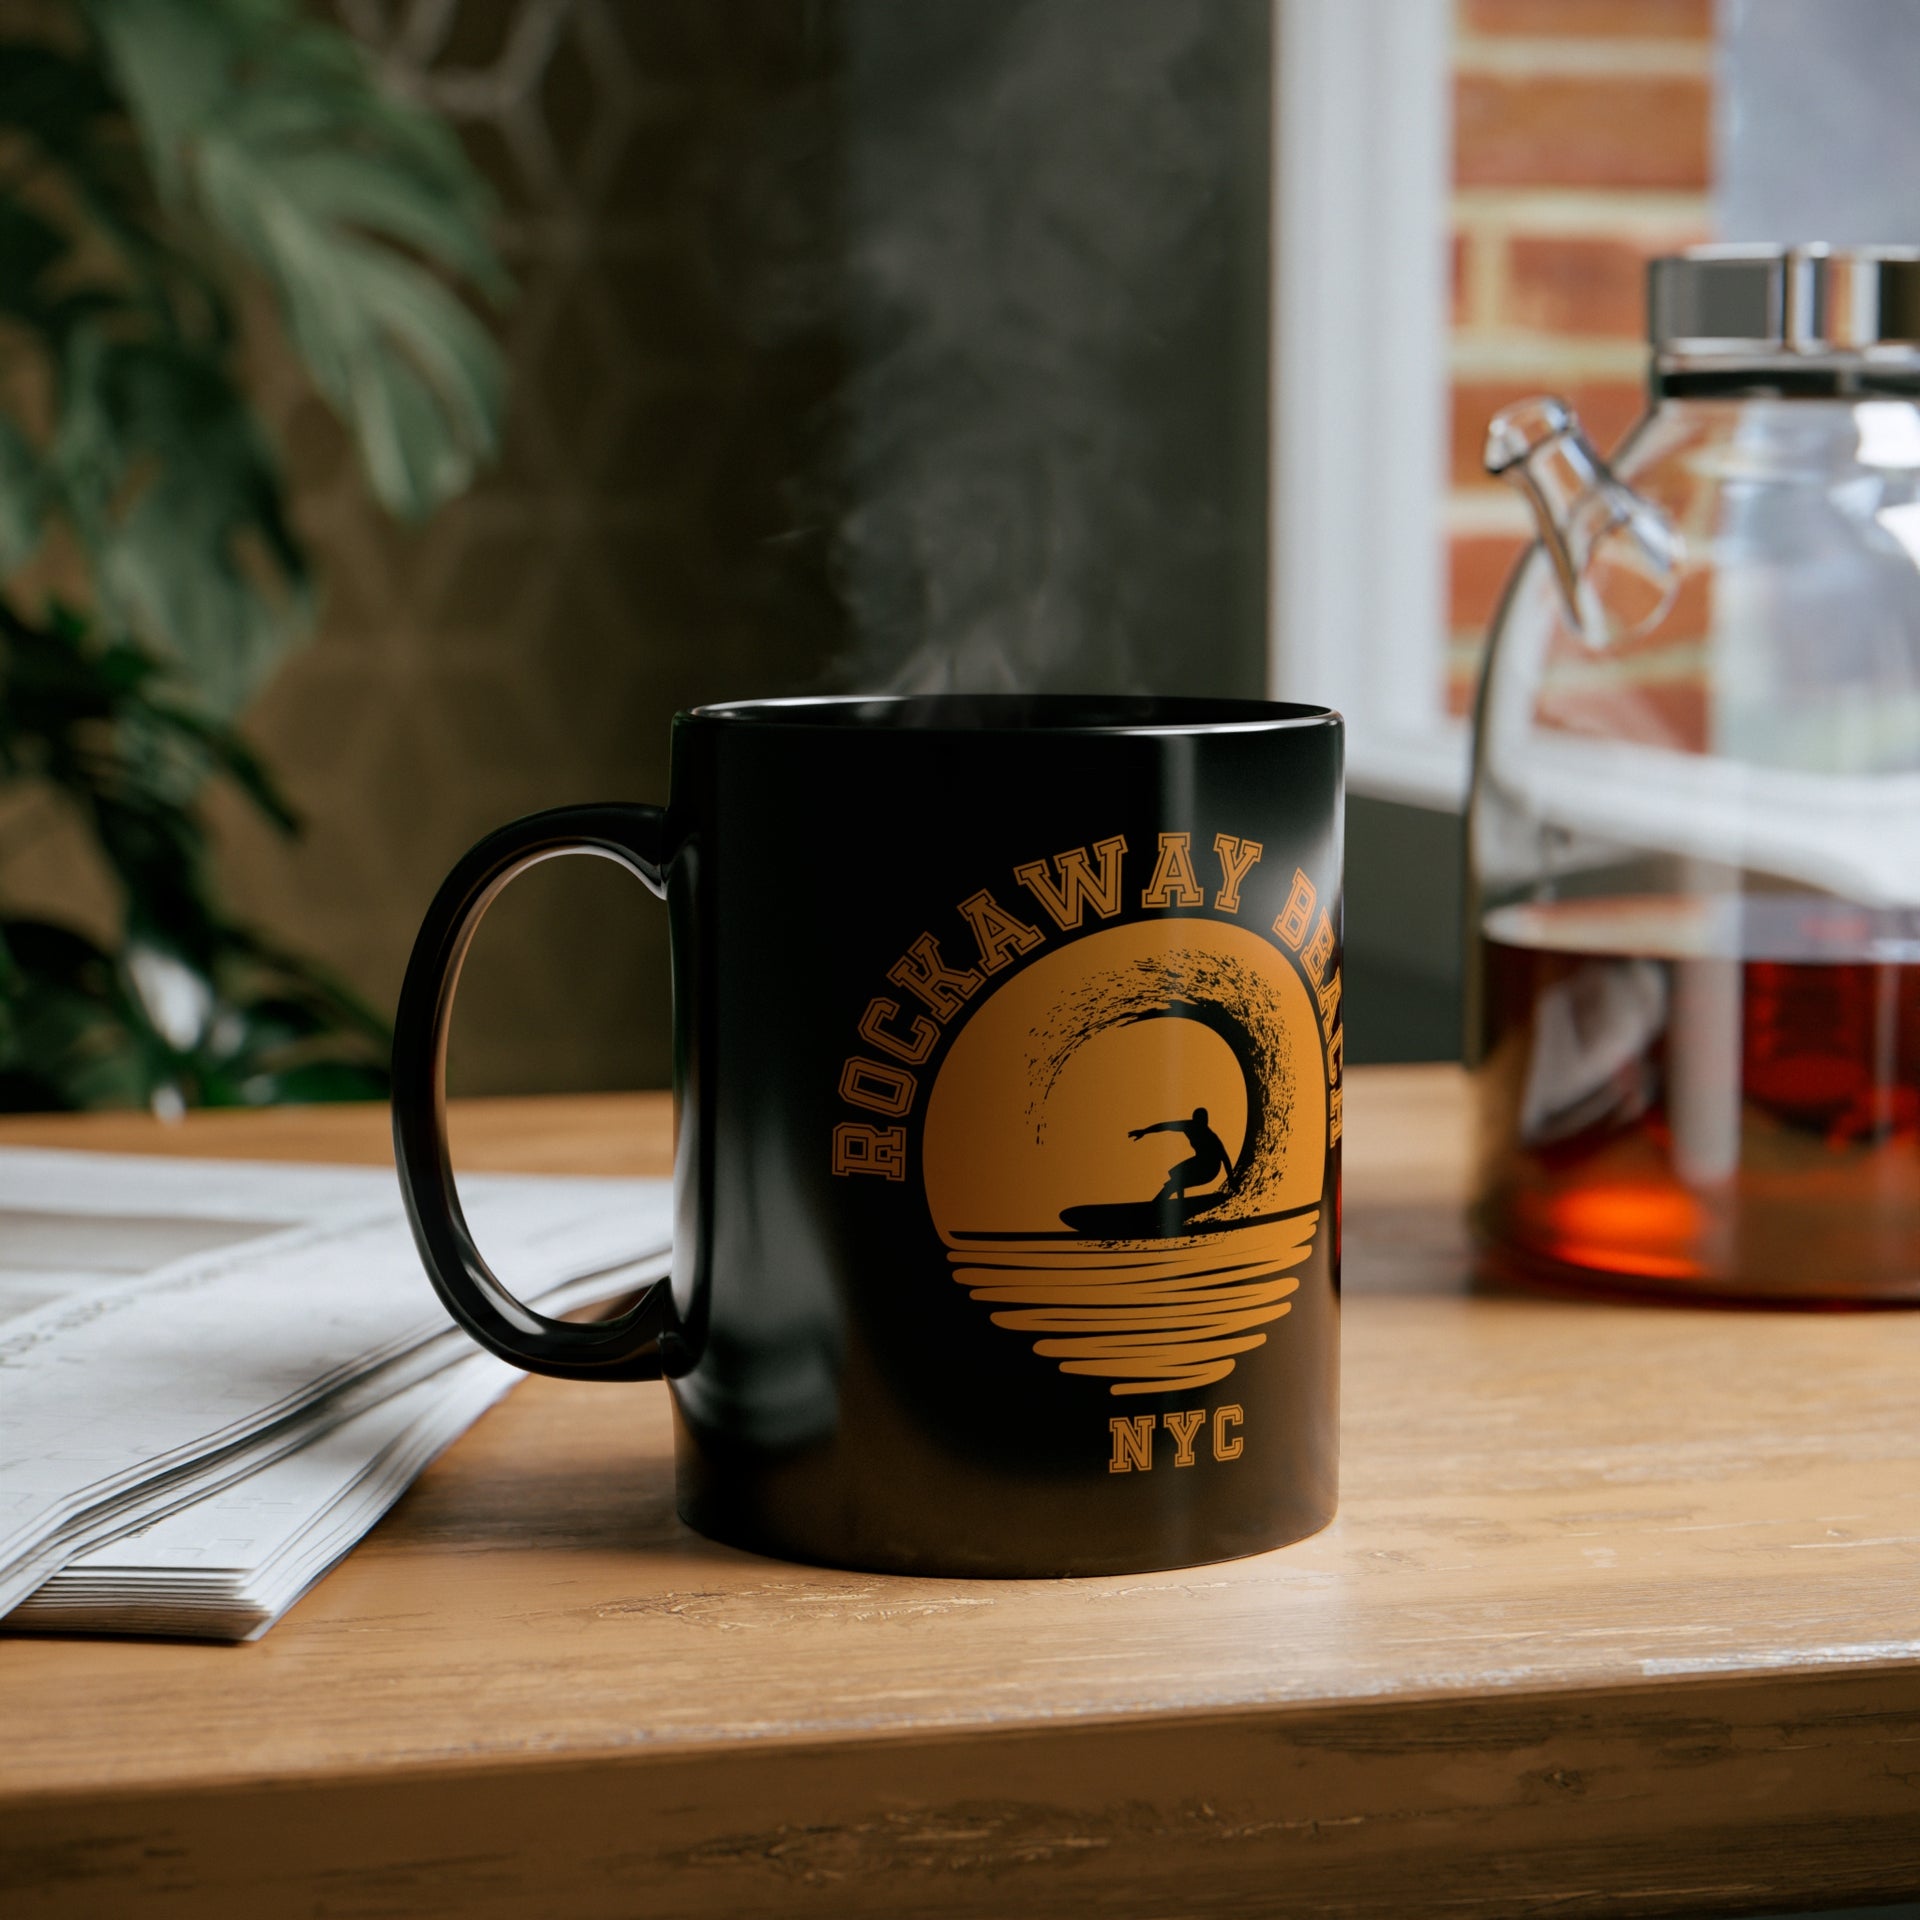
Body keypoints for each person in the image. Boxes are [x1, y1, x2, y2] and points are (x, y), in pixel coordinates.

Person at [1127, 1108, 1231, 1202]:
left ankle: (1171, 1204)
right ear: (1194, 1120)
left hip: (1210, 1169)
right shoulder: (1189, 1126)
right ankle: (1177, 1202)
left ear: (1206, 1121)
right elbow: (1165, 1126)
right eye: (1198, 1120)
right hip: (1199, 1162)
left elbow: (1225, 1158)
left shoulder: (1211, 1137)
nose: (1201, 1124)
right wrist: (1144, 1131)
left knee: (1175, 1182)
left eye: (1203, 1121)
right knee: (1176, 1177)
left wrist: (1231, 1180)